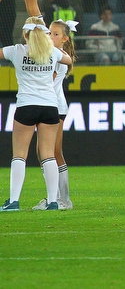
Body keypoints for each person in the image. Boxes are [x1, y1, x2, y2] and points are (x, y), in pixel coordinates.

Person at [1, 19, 74, 211]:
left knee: (19, 155)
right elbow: (68, 60)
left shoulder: (18, 50)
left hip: (26, 106)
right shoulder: (51, 52)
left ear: (25, 34)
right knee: (48, 155)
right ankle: (52, 202)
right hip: (50, 107)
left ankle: (14, 201)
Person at [30, 19, 77, 210]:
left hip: (55, 107)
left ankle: (62, 199)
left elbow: (46, 80)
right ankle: (55, 196)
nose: (50, 36)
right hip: (49, 105)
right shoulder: (52, 55)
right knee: (43, 152)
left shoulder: (59, 57)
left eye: (56, 34)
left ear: (65, 38)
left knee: (53, 153)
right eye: (49, 33)